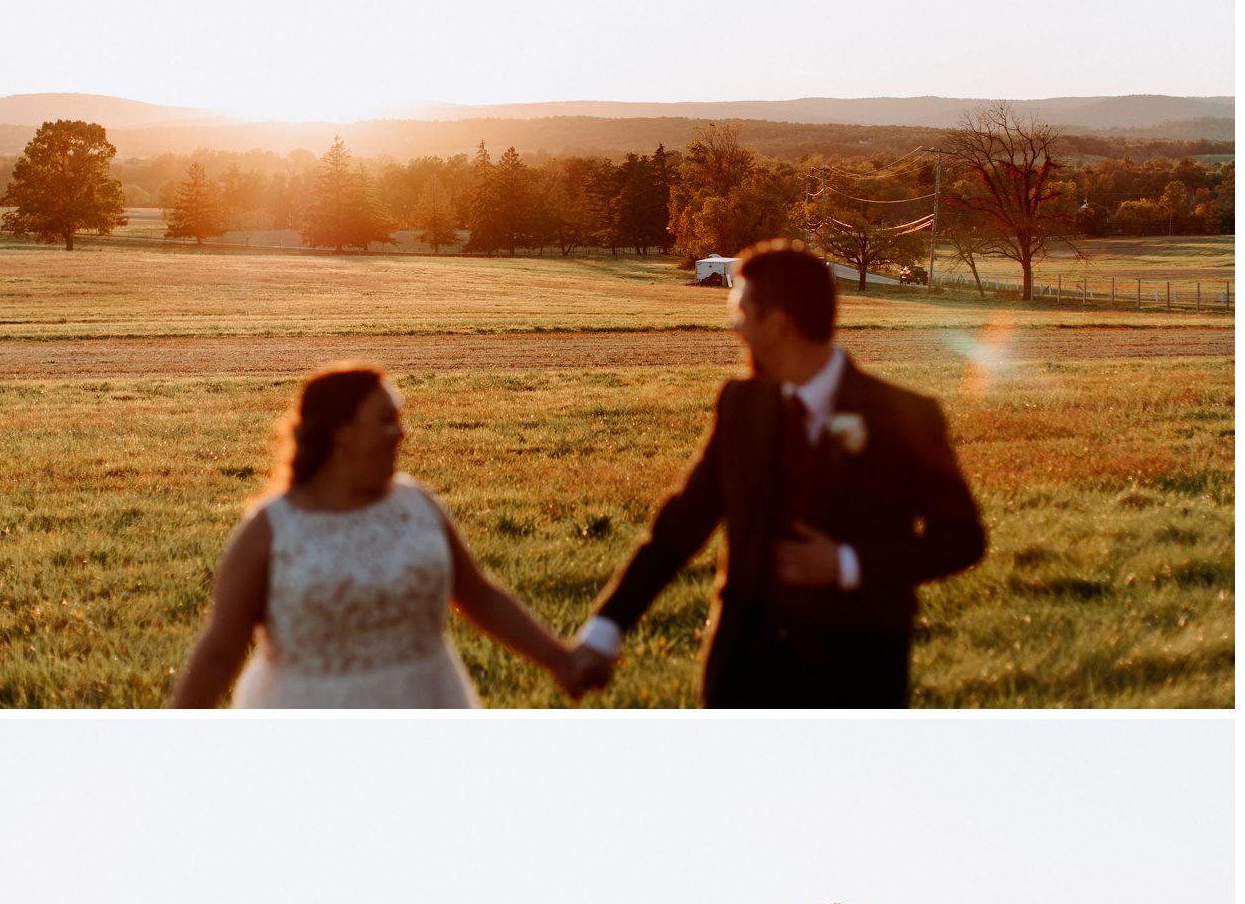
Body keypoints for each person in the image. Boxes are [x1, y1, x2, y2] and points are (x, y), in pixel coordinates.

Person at [572, 242, 986, 708]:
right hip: (743, 673)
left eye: (740, 314)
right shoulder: (740, 405)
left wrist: (848, 565)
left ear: (778, 325)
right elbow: (681, 526)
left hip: (858, 676)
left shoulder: (907, 415)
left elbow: (963, 539)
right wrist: (605, 631)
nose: (734, 329)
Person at [173, 366, 588, 707]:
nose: (400, 433)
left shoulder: (417, 505)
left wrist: (558, 659)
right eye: (386, 420)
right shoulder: (270, 530)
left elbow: (480, 597)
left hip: (427, 700)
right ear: (341, 431)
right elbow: (218, 654)